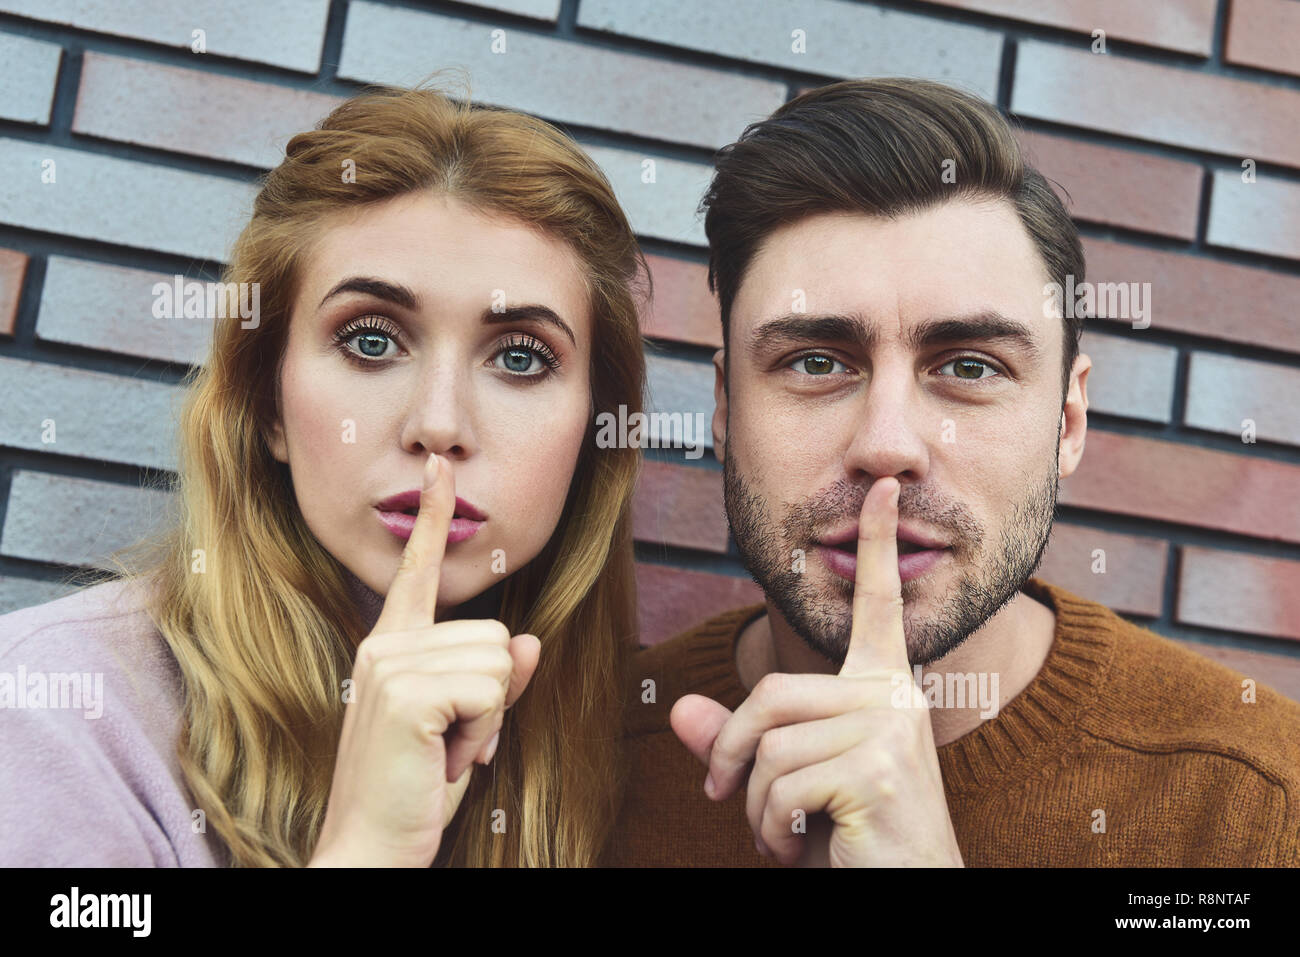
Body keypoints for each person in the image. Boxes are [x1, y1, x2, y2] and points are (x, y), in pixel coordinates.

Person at [603, 78, 1300, 867]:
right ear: (726, 409)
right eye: (817, 361)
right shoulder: (574, 769)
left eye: (969, 365)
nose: (889, 444)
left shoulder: (1260, 808)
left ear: (1067, 422)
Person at [0, 82, 648, 867]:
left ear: (593, 430)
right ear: (266, 402)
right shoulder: (51, 707)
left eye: (520, 357)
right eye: (371, 342)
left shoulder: (647, 749)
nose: (438, 424)